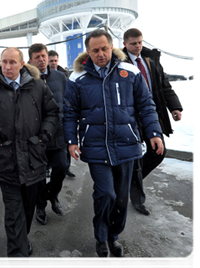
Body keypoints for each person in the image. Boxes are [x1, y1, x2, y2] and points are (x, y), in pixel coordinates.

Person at [63, 29, 164, 263]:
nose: (101, 54)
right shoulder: (76, 78)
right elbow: (69, 113)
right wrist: (71, 140)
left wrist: (153, 132)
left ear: (112, 47)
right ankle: (100, 237)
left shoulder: (129, 72)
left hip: (126, 144)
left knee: (120, 197)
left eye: (104, 48)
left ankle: (113, 235)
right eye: (95, 50)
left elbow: (146, 105)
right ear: (87, 51)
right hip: (96, 145)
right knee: (105, 194)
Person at [0, 47, 59, 267]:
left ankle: (21, 237)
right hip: (5, 161)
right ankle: (19, 260)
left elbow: (52, 112)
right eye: (4, 62)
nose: (7, 67)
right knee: (14, 213)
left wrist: (44, 136)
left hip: (34, 160)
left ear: (22, 64)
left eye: (12, 62)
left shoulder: (38, 87)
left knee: (27, 209)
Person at [122, 28, 183, 215]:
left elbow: (164, 85)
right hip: (131, 117)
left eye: (140, 42)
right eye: (133, 43)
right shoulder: (119, 63)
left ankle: (132, 181)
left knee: (158, 152)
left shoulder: (151, 61)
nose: (138, 46)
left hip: (152, 115)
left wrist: (175, 107)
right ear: (124, 44)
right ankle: (137, 198)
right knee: (136, 158)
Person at [28, 43, 68, 225]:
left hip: (58, 134)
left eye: (43, 56)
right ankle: (41, 206)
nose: (42, 59)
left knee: (61, 167)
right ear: (30, 60)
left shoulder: (60, 77)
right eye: (37, 57)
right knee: (39, 175)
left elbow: (69, 103)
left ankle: (53, 195)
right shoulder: (26, 80)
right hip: (36, 137)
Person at [48, 50, 76, 178]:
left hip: (62, 118)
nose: (53, 63)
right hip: (49, 120)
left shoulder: (62, 75)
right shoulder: (41, 78)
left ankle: (67, 168)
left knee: (64, 148)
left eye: (55, 61)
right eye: (51, 61)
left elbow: (67, 97)